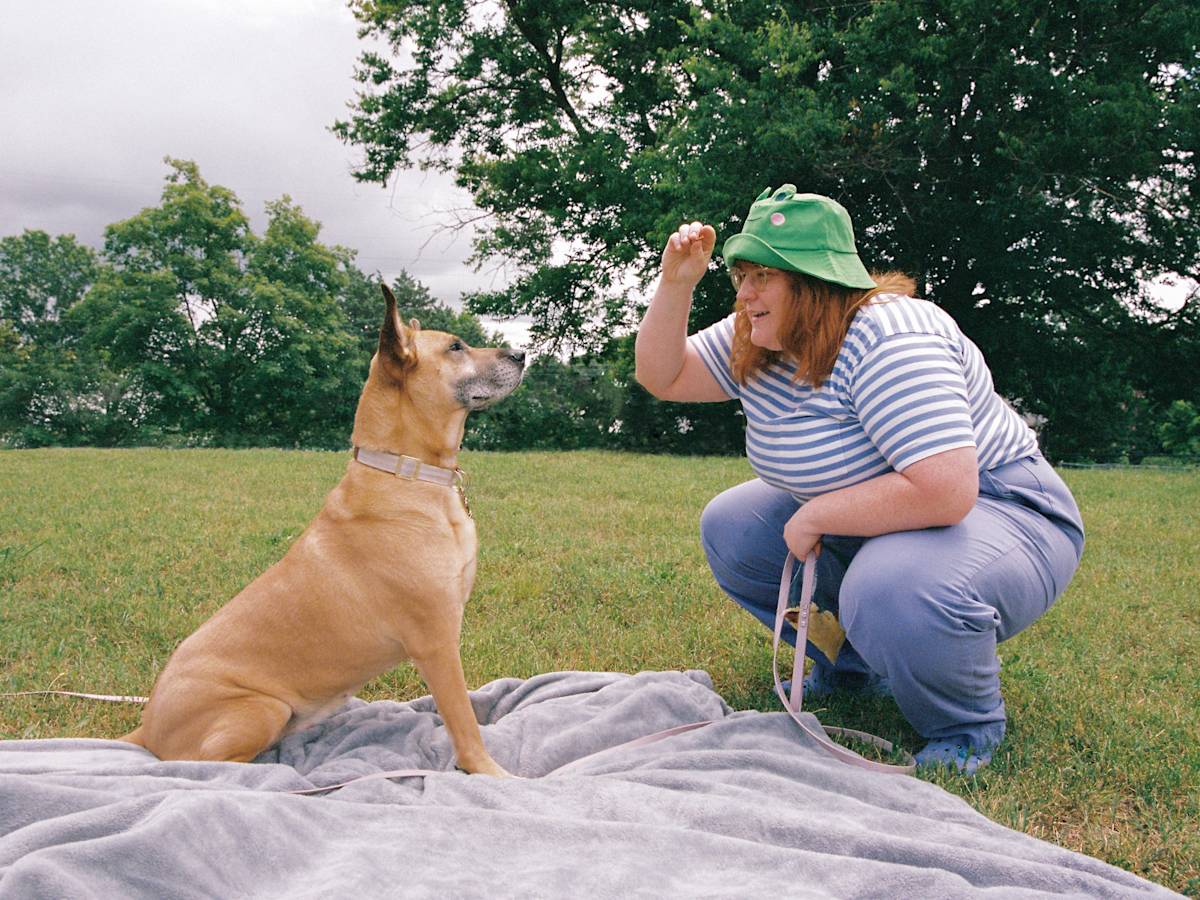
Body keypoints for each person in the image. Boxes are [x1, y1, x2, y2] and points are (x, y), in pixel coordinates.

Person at [634, 185, 1085, 774]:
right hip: (901, 507)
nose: (744, 293)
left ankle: (965, 726)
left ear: (815, 283)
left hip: (1005, 509)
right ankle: (850, 668)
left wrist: (818, 515)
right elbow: (662, 376)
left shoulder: (891, 337)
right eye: (741, 274)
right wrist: (676, 284)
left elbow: (945, 489)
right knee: (733, 525)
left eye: (763, 276)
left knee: (891, 585)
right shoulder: (759, 332)